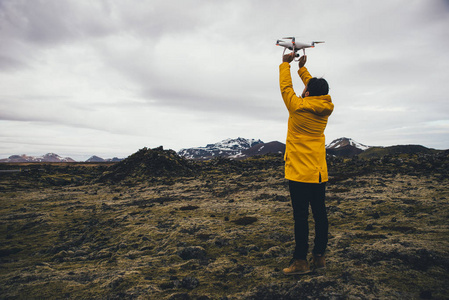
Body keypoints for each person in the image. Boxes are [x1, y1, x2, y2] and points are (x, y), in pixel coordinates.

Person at [279, 52, 334, 275]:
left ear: (307, 93)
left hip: (299, 175)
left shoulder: (298, 107)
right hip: (318, 173)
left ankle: (300, 261)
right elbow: (312, 90)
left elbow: (286, 88)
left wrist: (285, 65)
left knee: (301, 218)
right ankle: (319, 257)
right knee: (320, 214)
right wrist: (302, 69)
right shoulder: (325, 107)